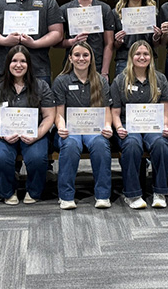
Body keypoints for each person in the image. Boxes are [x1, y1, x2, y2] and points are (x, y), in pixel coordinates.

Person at [0, 45, 56, 204]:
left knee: (37, 158)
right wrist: (2, 134)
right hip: (3, 135)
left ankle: (34, 191)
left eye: (23, 61)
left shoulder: (41, 86)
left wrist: (37, 134)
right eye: (14, 61)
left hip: (34, 134)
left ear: (29, 64)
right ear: (8, 64)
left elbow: (49, 115)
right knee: (0, 157)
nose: (18, 65)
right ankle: (8, 191)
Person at [110, 40, 168, 209]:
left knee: (161, 144)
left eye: (146, 54)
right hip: (128, 126)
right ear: (131, 57)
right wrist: (119, 128)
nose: (142, 57)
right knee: (131, 144)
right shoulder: (120, 80)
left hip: (154, 126)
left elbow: (165, 109)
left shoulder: (160, 79)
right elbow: (115, 112)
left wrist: (165, 126)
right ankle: (132, 194)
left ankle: (159, 192)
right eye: (138, 54)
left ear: (151, 57)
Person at [52, 42, 113, 209]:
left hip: (94, 129)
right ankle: (66, 196)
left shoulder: (100, 80)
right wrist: (61, 127)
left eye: (85, 55)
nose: (81, 58)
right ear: (70, 58)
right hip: (70, 130)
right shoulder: (61, 81)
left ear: (91, 58)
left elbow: (106, 110)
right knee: (70, 145)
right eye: (77, 55)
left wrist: (108, 126)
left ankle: (103, 195)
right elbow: (59, 113)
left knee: (101, 144)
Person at [58, 0, 115, 81]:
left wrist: (104, 72)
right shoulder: (64, 9)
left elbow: (109, 43)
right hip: (72, 66)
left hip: (97, 65)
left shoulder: (104, 9)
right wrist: (72, 41)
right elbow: (57, 43)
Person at [112, 0, 162, 75]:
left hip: (147, 59)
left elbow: (156, 44)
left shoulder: (153, 12)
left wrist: (156, 37)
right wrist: (118, 41)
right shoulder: (116, 13)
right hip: (124, 60)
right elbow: (113, 45)